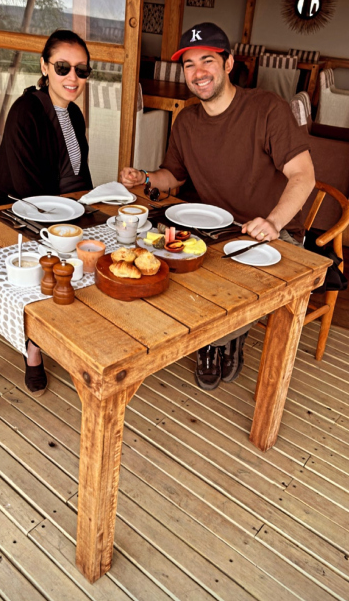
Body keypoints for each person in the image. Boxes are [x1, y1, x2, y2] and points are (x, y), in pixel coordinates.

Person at [120, 22, 315, 391]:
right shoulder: (187, 119)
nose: (198, 73)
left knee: (234, 281)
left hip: (271, 231)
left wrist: (273, 222)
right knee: (158, 257)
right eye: (189, 65)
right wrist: (143, 178)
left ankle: (220, 341)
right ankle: (216, 339)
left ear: (228, 64)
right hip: (211, 229)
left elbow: (304, 175)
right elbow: (172, 176)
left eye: (207, 60)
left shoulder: (266, 108)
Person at [0, 29, 93, 397]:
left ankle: (71, 330)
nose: (72, 78)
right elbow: (27, 191)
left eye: (81, 70)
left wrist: (89, 207)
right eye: (63, 67)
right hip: (12, 211)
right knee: (48, 260)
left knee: (93, 254)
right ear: (45, 66)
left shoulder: (73, 115)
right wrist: (66, 221)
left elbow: (79, 174)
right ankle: (34, 349)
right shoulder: (25, 111)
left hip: (61, 209)